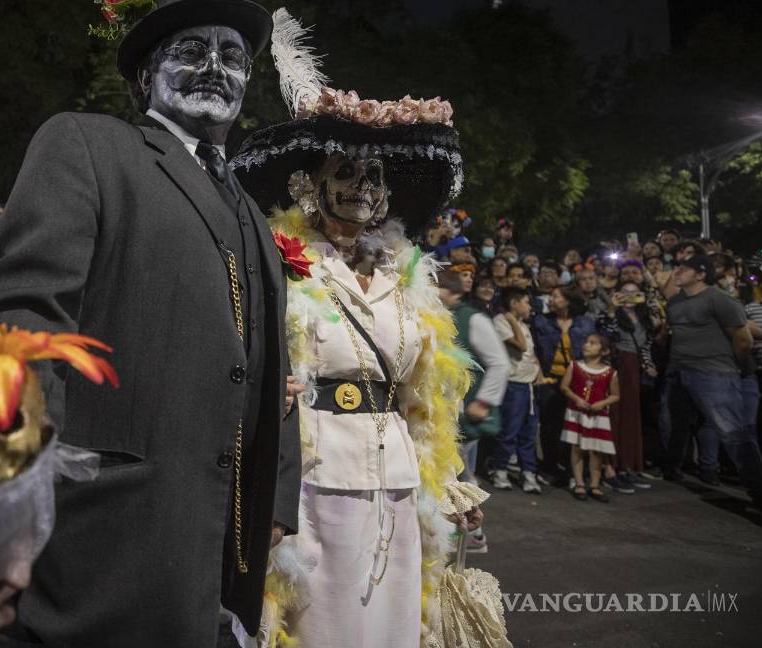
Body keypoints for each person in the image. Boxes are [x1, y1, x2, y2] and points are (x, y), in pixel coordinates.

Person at [0, 2, 298, 646]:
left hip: (216, 553)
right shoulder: (89, 144)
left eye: (232, 57)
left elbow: (265, 367)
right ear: (146, 78)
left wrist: (275, 499)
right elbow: (15, 328)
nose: (214, 68)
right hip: (97, 544)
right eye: (191, 51)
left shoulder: (254, 216)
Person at [233, 44, 490, 644]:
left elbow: (427, 394)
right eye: (344, 173)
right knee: (325, 625)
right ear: (307, 185)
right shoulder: (281, 262)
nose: (363, 188)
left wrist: (447, 481)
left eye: (373, 177)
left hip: (399, 478)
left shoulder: (407, 274)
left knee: (396, 622)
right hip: (314, 478)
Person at [663, 254, 762, 512]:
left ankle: (758, 492)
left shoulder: (719, 299)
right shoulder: (674, 302)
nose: (678, 271)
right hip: (679, 373)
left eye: (685, 267)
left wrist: (731, 365)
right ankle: (672, 469)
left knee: (732, 433)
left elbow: (743, 340)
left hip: (713, 374)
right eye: (677, 267)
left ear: (700, 274)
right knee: (675, 426)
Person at [440, 271, 509, 554]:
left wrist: (484, 401)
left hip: (463, 413)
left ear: (450, 291)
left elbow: (499, 363)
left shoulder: (473, 318)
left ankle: (473, 532)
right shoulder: (436, 315)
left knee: (461, 472)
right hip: (442, 411)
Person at [597, 281, 660, 491]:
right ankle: (609, 468)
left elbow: (645, 348)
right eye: (625, 292)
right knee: (613, 417)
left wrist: (648, 365)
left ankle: (628, 466)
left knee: (631, 418)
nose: (630, 297)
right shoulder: (611, 314)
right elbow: (606, 337)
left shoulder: (645, 318)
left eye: (635, 293)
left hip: (634, 369)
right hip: (616, 366)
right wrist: (612, 310)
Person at [531, 286, 595, 487]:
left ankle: (570, 469)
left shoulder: (585, 323)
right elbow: (533, 350)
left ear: (568, 300)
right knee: (550, 426)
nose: (551, 299)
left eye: (556, 296)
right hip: (550, 380)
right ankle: (549, 467)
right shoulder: (541, 321)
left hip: (576, 381)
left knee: (574, 427)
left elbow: (593, 351)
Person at [491, 287, 544, 492]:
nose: (529, 306)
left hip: (529, 385)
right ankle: (500, 470)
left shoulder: (523, 324)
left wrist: (538, 372)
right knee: (509, 431)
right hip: (513, 386)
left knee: (529, 432)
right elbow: (520, 346)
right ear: (514, 304)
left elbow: (530, 353)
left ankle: (528, 473)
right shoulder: (501, 322)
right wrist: (512, 319)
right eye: (526, 302)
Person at [561, 333, 620, 503]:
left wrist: (602, 403)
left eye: (593, 343)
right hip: (577, 413)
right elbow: (564, 386)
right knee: (577, 447)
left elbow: (616, 395)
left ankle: (595, 485)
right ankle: (579, 483)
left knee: (596, 450)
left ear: (604, 351)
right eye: (586, 342)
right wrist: (577, 399)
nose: (587, 345)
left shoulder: (609, 372)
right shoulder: (574, 366)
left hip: (598, 416)